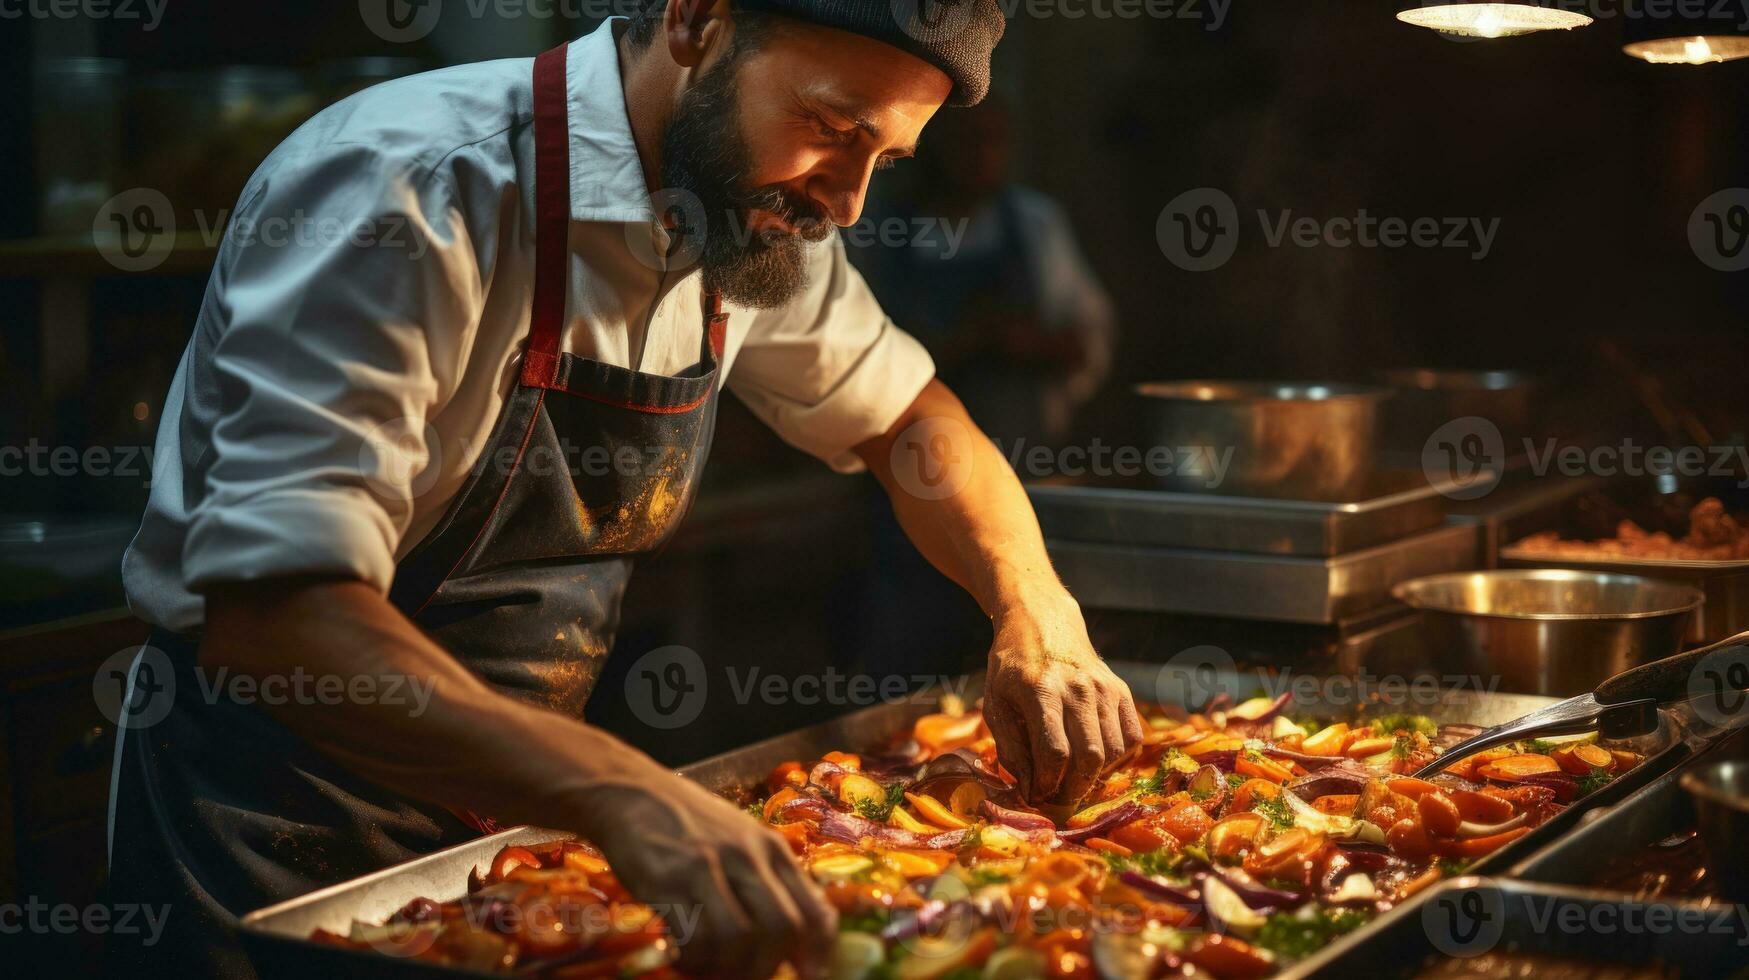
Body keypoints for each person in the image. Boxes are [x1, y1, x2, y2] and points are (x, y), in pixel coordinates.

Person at [107, 2, 1143, 977]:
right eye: (832, 125)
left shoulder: (753, 219)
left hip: (511, 830)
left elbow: (914, 422)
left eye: (884, 157)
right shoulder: (410, 188)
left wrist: (1034, 604)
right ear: (697, 19)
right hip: (266, 834)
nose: (849, 198)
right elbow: (279, 616)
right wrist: (618, 787)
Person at [849, 97, 1114, 450]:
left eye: (995, 141)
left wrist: (1019, 340)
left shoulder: (1035, 224)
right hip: (909, 454)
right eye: (966, 140)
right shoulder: (879, 231)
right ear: (927, 144)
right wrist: (953, 345)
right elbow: (852, 354)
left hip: (1022, 452)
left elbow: (1090, 340)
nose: (982, 155)